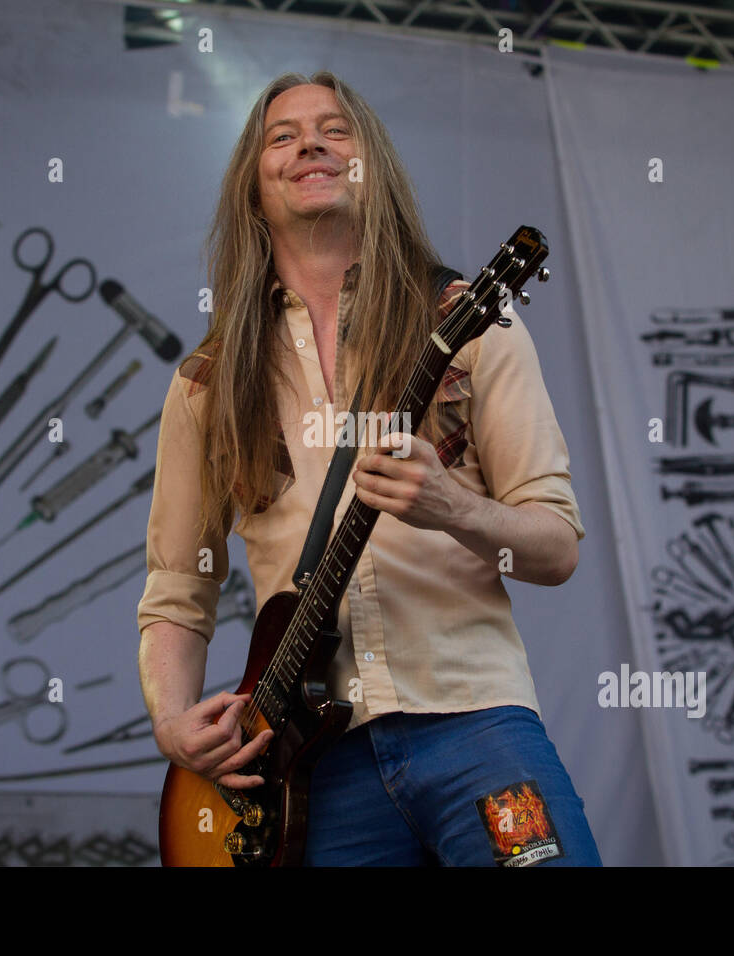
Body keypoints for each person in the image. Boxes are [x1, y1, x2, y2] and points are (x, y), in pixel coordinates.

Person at [137, 70, 602, 867]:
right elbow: (179, 588)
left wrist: (454, 507)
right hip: (310, 768)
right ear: (254, 190)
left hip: (475, 722)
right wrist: (171, 720)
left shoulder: (472, 322)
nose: (310, 142)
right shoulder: (207, 383)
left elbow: (556, 547)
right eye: (282, 136)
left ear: (370, 169)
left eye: (335, 129)